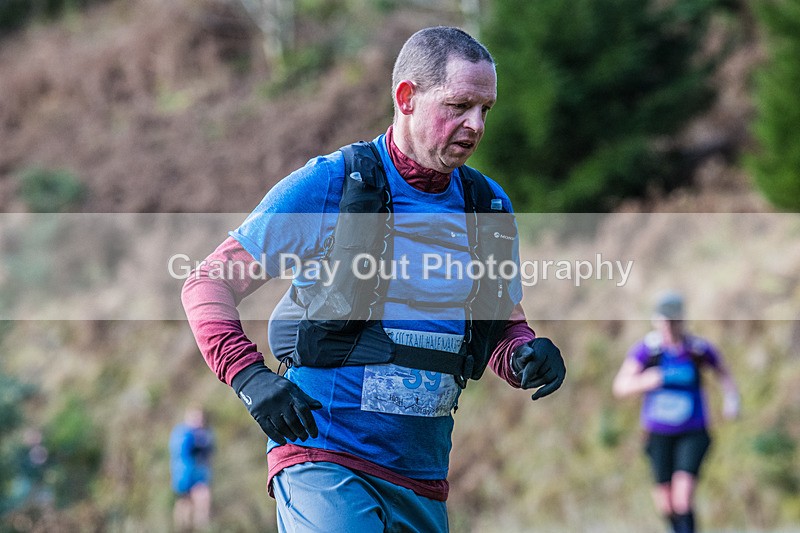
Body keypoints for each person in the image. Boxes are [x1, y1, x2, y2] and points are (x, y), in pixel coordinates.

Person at [182, 26, 566, 532]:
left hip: (421, 476)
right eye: (459, 106)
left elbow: (497, 328)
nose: (475, 125)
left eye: (485, 110)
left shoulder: (488, 206)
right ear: (407, 97)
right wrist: (250, 377)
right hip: (325, 456)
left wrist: (525, 355)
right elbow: (207, 283)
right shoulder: (333, 184)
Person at [612, 291, 740, 533]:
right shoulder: (648, 352)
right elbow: (620, 386)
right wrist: (647, 380)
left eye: (673, 321)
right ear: (656, 322)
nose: (668, 327)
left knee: (683, 497)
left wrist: (731, 400)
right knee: (666, 502)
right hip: (658, 434)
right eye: (664, 321)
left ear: (682, 321)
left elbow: (724, 373)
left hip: (692, 432)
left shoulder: (697, 350)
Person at [169, 406, 214, 531]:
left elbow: (209, 453)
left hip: (200, 474)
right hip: (184, 475)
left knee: (203, 500)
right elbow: (180, 453)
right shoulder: (182, 433)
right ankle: (183, 529)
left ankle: (202, 528)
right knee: (184, 505)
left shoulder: (205, 433)